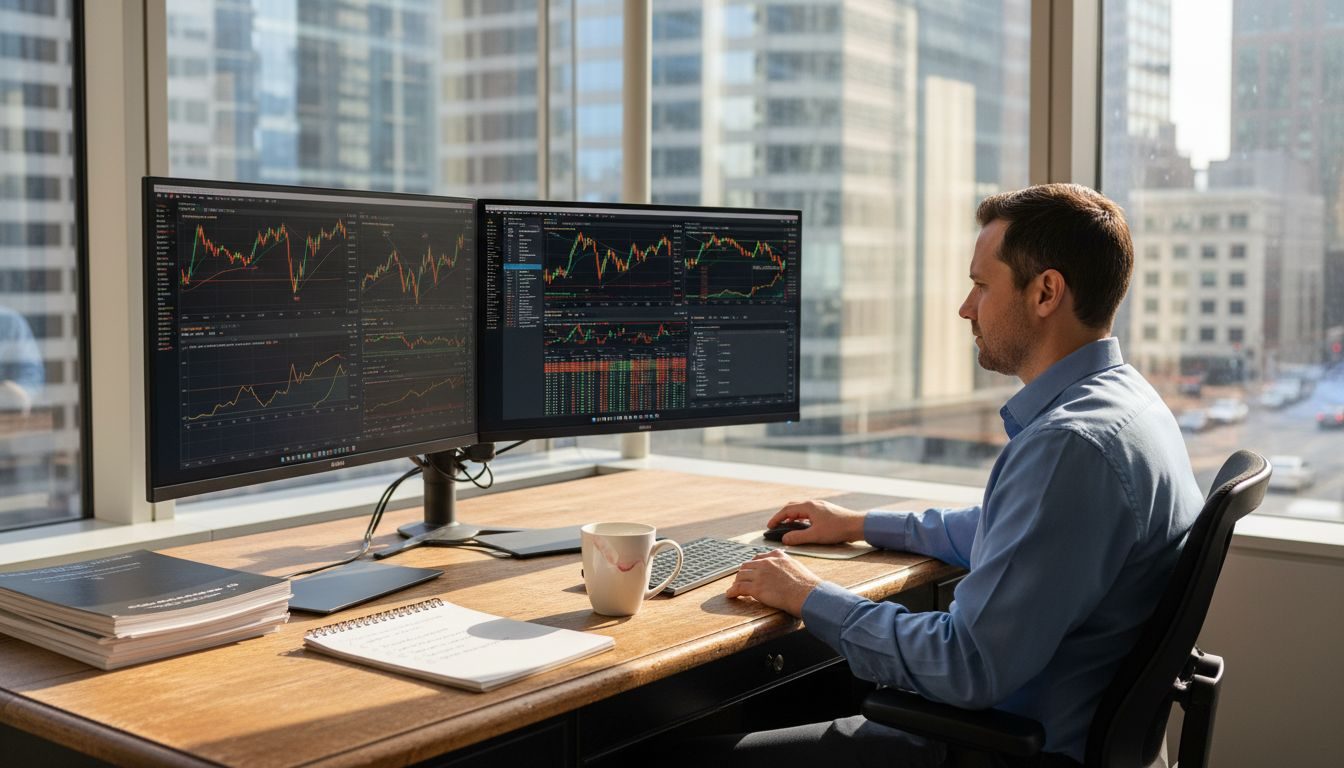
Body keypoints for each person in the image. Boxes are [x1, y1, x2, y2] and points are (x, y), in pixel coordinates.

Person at [719, 184, 1204, 767]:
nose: (965, 307)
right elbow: (1016, 535)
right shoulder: (1130, 406)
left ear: (1046, 292)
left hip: (997, 748)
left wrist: (806, 594)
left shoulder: (1069, 446)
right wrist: (861, 523)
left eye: (980, 285)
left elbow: (964, 664)